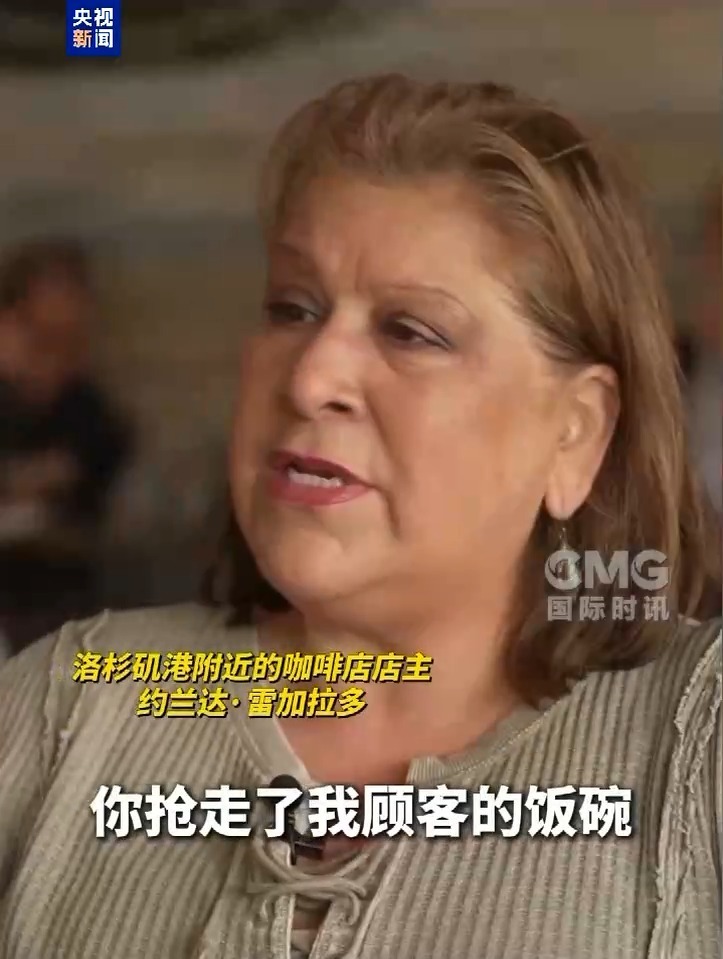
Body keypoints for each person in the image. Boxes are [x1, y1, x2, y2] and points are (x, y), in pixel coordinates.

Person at [0, 75, 720, 959]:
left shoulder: (694, 748)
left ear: (574, 431)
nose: (310, 377)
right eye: (291, 309)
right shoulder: (67, 707)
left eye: (410, 330)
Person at [0, 239, 132, 654]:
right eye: (41, 337)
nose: (53, 358)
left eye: (67, 340)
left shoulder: (92, 416)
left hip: (56, 605)